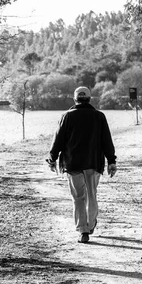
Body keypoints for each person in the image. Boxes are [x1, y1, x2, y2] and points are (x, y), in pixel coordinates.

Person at [46, 86, 117, 243]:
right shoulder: (99, 116)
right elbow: (107, 141)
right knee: (92, 195)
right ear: (90, 99)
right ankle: (91, 225)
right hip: (93, 162)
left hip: (73, 164)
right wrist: (111, 161)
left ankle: (83, 231)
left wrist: (52, 158)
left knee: (78, 197)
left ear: (75, 99)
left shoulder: (67, 116)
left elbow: (58, 139)